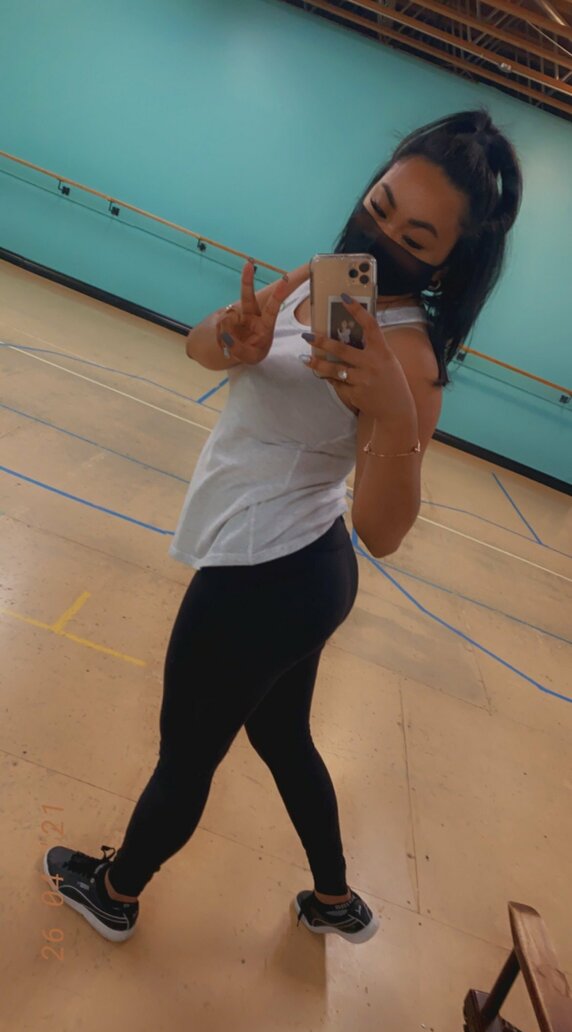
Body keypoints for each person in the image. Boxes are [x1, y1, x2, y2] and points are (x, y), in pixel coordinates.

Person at [44, 108, 522, 945]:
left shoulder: (410, 358)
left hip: (265, 573)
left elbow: (384, 530)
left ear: (449, 262)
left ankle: (115, 893)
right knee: (282, 734)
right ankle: (334, 901)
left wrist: (393, 410)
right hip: (301, 565)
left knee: (187, 753)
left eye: (416, 236)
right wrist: (233, 337)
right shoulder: (325, 284)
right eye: (380, 207)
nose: (381, 237)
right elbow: (199, 350)